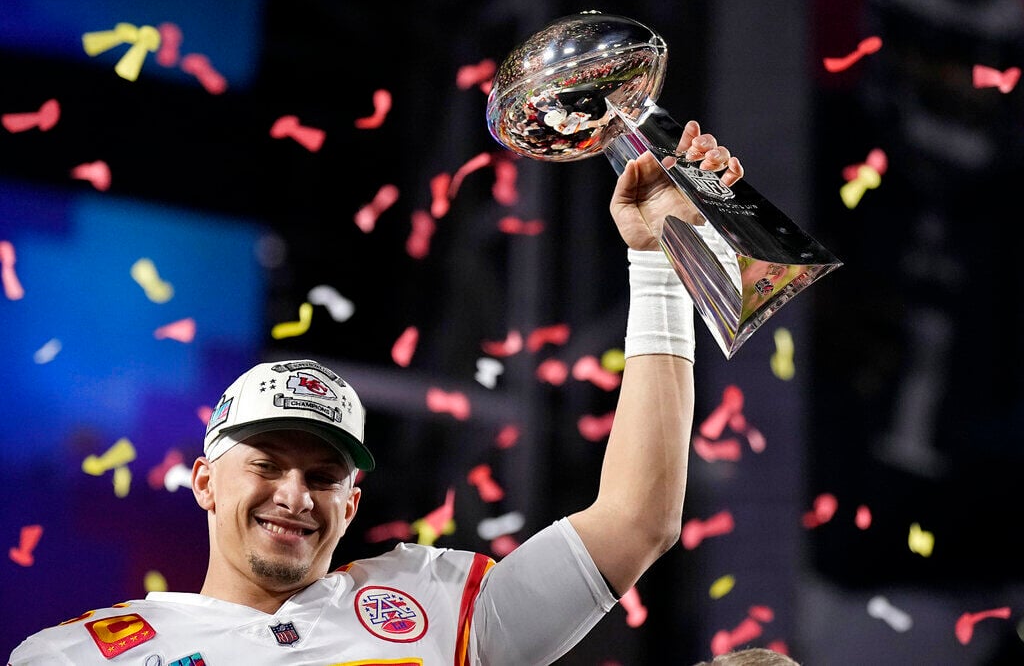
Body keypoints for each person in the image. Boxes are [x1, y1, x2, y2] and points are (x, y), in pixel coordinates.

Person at [7, 121, 746, 665]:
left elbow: (637, 519)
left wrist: (655, 263)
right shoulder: (79, 656)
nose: (295, 493)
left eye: (323, 475)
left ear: (351, 504)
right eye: (268, 463)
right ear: (204, 480)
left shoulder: (433, 600)